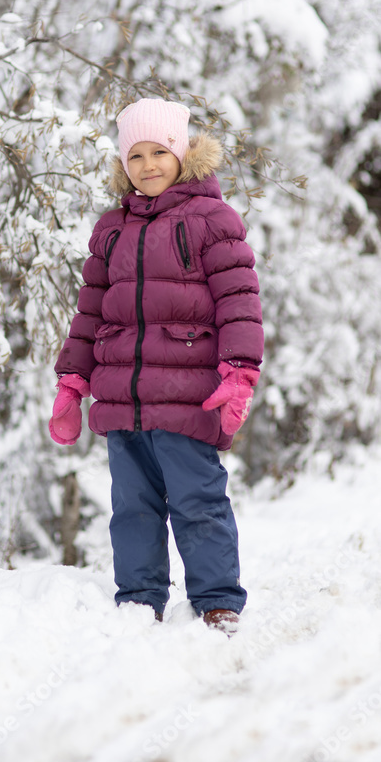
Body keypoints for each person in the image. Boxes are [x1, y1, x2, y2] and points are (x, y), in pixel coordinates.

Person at [49, 97, 263, 633]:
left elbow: (239, 300)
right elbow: (90, 309)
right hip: (122, 396)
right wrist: (73, 381)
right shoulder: (111, 229)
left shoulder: (212, 221)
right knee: (132, 508)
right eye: (136, 155)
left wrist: (239, 373)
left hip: (191, 395)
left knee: (199, 504)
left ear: (182, 153)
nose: (147, 165)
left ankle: (217, 601)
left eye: (159, 152)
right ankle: (140, 600)